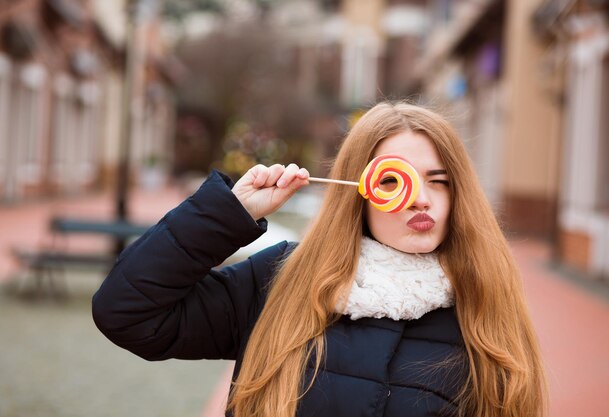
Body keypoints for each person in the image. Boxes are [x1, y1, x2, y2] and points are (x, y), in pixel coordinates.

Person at [92, 102, 548, 417]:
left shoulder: (486, 306)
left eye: (440, 181)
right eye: (396, 182)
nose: (421, 200)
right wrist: (229, 213)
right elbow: (128, 313)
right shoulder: (280, 281)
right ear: (362, 194)